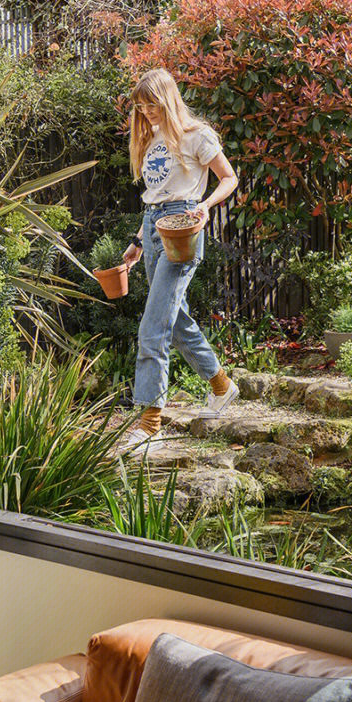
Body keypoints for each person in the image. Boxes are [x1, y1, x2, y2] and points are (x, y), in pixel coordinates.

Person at [122, 68, 240, 453]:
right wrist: (138, 241)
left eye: (152, 104)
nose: (147, 112)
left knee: (153, 326)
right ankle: (221, 386)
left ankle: (150, 420)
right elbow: (156, 195)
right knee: (176, 321)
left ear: (167, 98)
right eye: (141, 107)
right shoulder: (153, 137)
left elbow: (229, 178)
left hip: (183, 227)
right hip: (153, 228)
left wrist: (205, 207)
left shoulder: (197, 136)